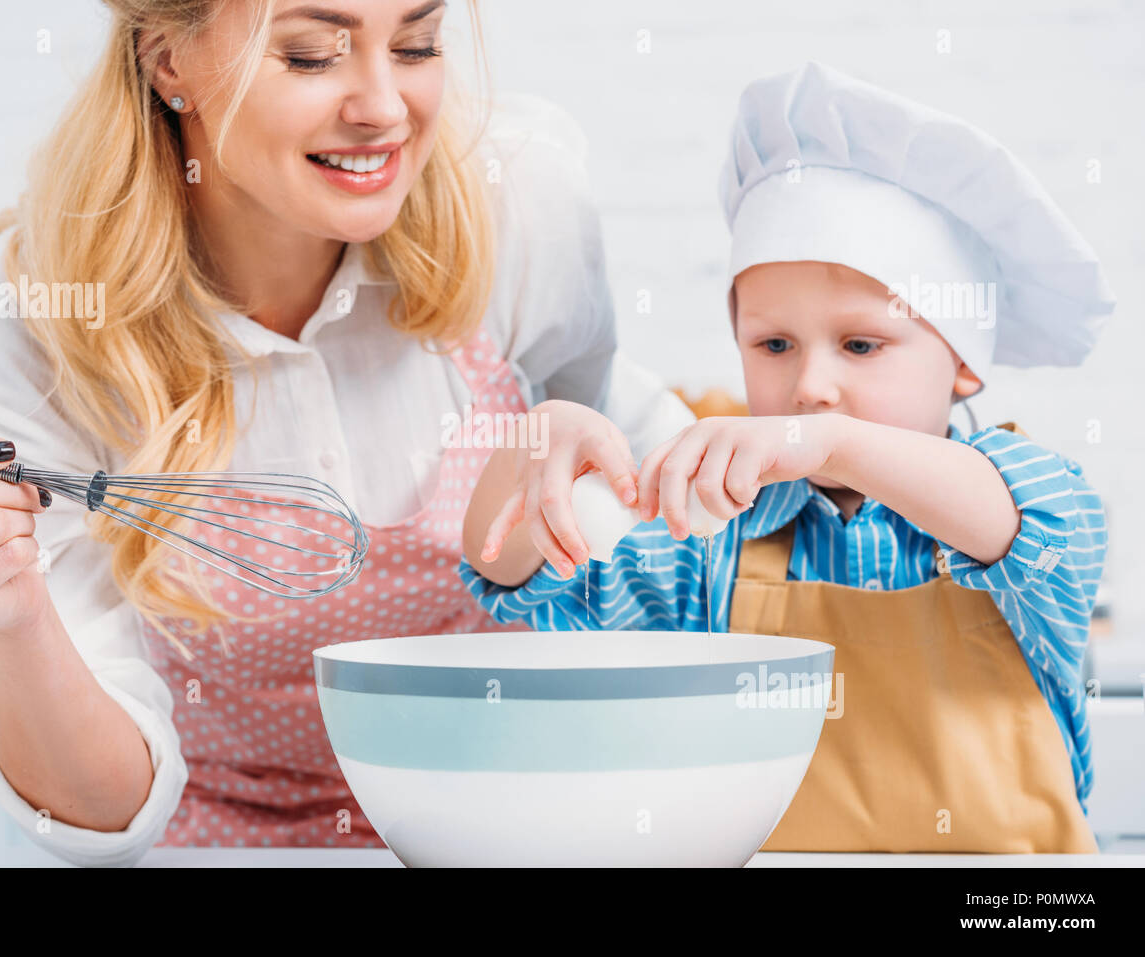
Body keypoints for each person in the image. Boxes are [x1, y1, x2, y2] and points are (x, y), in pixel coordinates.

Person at [0, 0, 693, 866]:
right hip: (228, 850)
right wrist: (8, 608)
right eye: (309, 55)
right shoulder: (48, 331)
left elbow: (625, 465)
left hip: (526, 826)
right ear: (168, 61)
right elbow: (102, 813)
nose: (383, 106)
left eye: (416, 44)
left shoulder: (518, 210)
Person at [460, 62, 1114, 853]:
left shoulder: (1028, 501)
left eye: (860, 344)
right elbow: (517, 585)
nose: (811, 386)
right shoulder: (711, 548)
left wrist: (831, 444)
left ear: (965, 360)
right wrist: (530, 447)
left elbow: (1003, 517)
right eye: (774, 344)